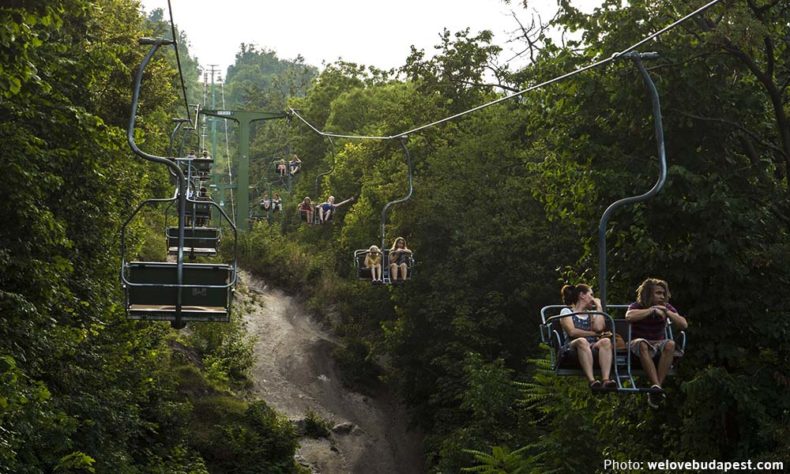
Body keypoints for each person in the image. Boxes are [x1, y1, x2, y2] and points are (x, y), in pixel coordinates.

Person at [625, 278, 687, 408]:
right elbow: (629, 316)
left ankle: (656, 387)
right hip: (638, 341)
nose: (662, 296)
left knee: (670, 344)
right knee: (642, 344)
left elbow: (683, 325)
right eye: (658, 293)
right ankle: (656, 386)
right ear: (648, 293)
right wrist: (652, 310)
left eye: (663, 293)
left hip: (658, 342)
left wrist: (667, 311)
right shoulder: (637, 305)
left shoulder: (666, 307)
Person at [558, 284, 616, 391]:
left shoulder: (592, 314)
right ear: (582, 295)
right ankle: (592, 380)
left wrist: (599, 307)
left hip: (591, 345)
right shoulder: (567, 312)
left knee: (606, 341)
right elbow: (572, 332)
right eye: (591, 295)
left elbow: (599, 328)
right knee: (582, 341)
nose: (593, 298)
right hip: (572, 345)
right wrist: (593, 334)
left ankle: (605, 380)